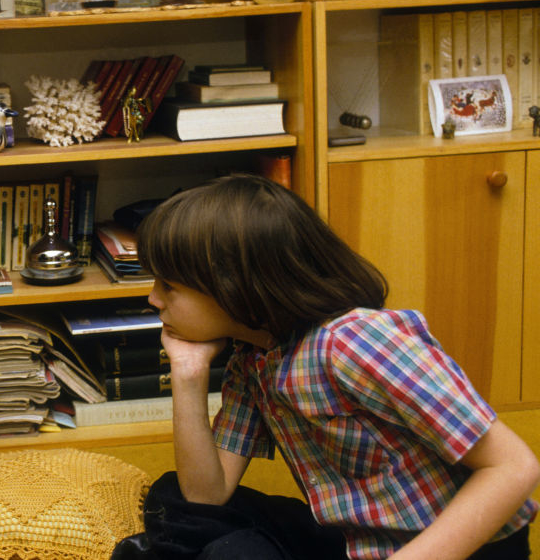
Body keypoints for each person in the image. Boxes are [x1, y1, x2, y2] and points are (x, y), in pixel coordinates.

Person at [114, 172, 539, 560]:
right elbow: (205, 495)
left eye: (168, 285)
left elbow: (513, 467)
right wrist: (189, 372)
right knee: (173, 497)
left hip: (460, 546)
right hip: (357, 540)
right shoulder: (254, 358)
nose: (154, 299)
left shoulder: (357, 342)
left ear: (233, 286)